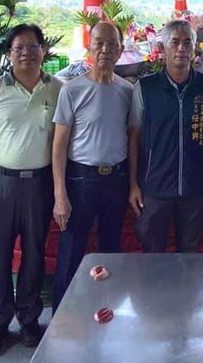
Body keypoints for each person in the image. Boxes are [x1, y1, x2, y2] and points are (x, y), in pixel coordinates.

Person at [0, 24, 63, 356]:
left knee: (35, 253)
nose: (26, 53)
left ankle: (28, 320)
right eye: (18, 48)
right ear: (9, 54)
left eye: (32, 46)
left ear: (43, 51)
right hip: (0, 183)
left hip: (40, 183)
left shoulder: (58, 89)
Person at [51, 21, 132, 309]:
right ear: (89, 48)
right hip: (80, 181)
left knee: (111, 252)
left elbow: (131, 138)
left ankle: (105, 313)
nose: (105, 50)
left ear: (121, 51)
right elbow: (59, 146)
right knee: (71, 252)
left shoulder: (127, 90)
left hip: (116, 180)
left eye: (112, 44)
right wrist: (60, 195)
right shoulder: (72, 90)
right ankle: (61, 322)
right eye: (99, 43)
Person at [128, 19, 203, 252]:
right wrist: (134, 185)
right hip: (155, 188)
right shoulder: (146, 88)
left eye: (188, 42)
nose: (181, 48)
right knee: (152, 254)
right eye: (175, 42)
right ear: (163, 47)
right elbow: (134, 138)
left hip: (195, 188)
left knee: (189, 255)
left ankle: (186, 290)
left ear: (195, 47)